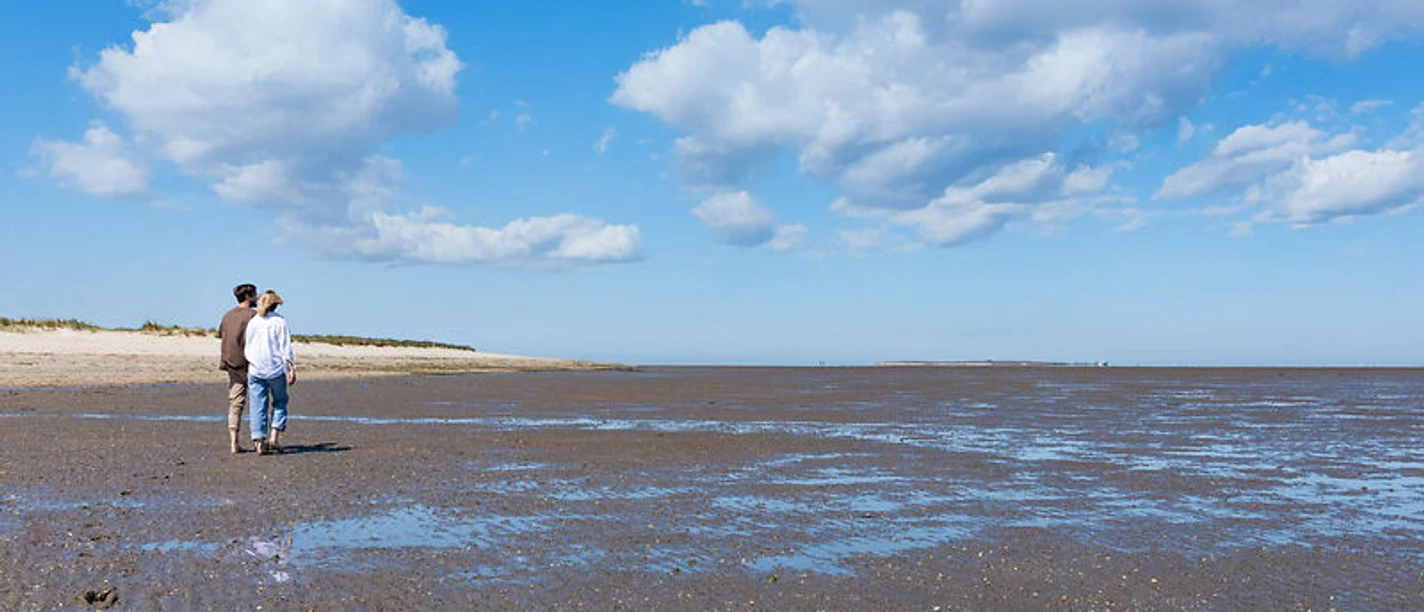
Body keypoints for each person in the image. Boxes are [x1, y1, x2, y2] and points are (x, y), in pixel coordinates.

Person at [244, 290, 296, 455]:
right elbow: (285, 346)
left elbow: (248, 344)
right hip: (274, 369)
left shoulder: (254, 321)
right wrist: (291, 367)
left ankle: (259, 441)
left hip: (256, 368)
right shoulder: (279, 322)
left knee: (257, 405)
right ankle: (274, 435)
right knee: (280, 400)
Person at [218, 283, 258, 455]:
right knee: (258, 402)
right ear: (248, 296)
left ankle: (234, 442)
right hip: (249, 363)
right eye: (255, 295)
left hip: (230, 361)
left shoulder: (227, 315)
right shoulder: (253, 316)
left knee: (235, 402)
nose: (257, 298)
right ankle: (259, 441)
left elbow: (222, 335)